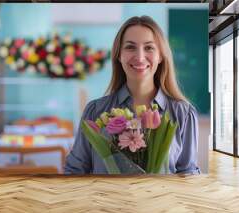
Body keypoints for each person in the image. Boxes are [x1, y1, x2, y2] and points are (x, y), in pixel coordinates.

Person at [64, 16, 200, 175]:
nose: (140, 57)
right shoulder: (94, 111)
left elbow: (188, 175)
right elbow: (74, 171)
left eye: (149, 48)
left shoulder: (184, 114)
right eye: (130, 47)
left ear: (161, 56)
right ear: (118, 55)